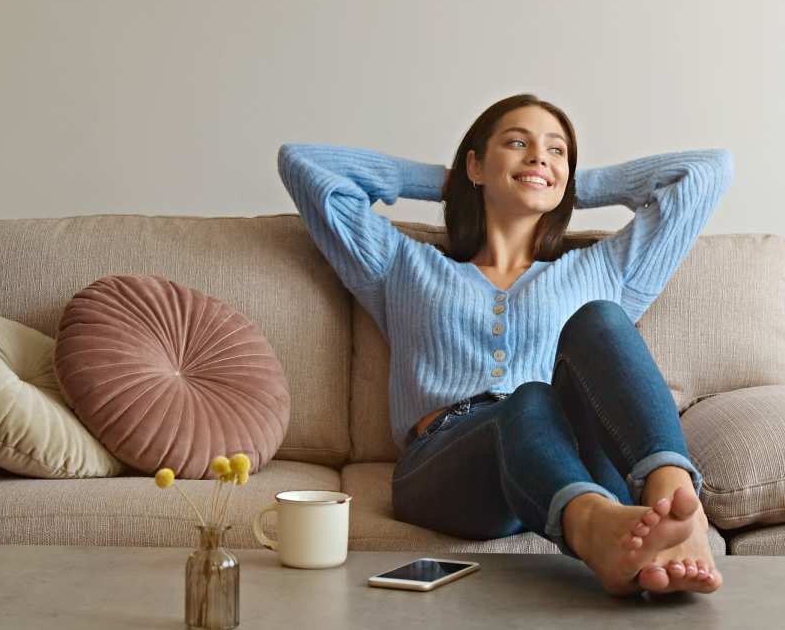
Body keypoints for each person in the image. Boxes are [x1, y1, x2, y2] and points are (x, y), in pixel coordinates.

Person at [277, 93, 734, 596]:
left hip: (574, 458)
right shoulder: (401, 265)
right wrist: (451, 181)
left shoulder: (605, 268)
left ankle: (672, 498)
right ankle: (594, 525)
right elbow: (304, 164)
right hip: (450, 468)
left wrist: (573, 186)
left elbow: (707, 172)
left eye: (557, 150)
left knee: (601, 319)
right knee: (529, 397)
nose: (540, 156)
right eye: (517, 143)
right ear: (475, 163)